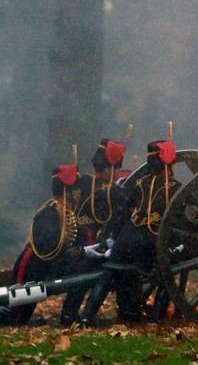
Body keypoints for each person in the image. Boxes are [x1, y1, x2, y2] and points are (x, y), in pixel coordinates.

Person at [79, 137, 179, 326]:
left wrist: (114, 238)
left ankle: (87, 317)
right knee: (169, 269)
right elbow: (182, 221)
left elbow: (121, 213)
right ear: (169, 164)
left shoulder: (139, 184)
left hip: (126, 238)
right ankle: (156, 320)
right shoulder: (175, 188)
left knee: (111, 271)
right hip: (152, 242)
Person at [58, 136, 130, 326]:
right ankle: (127, 313)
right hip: (90, 249)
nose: (117, 173)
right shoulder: (110, 192)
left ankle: (68, 314)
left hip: (76, 247)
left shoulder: (83, 183)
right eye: (116, 169)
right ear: (108, 168)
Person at [10, 163, 89, 325]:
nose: (79, 192)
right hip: (32, 267)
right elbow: (48, 246)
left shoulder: (66, 212)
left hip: (45, 267)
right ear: (65, 190)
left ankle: (69, 316)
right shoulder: (49, 212)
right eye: (75, 188)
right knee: (15, 317)